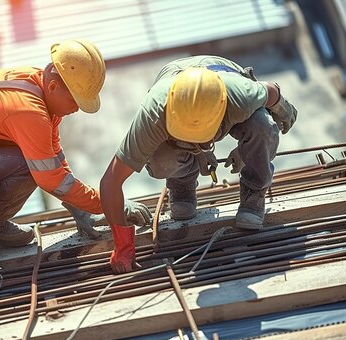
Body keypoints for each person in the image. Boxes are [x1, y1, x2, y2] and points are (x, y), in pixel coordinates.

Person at [0, 39, 151, 271]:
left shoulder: (42, 89)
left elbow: (54, 159)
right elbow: (50, 177)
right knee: (31, 168)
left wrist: (82, 210)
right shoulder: (29, 111)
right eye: (74, 100)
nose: (78, 108)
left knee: (38, 163)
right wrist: (107, 205)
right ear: (53, 87)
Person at [100, 55, 297, 274]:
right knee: (159, 160)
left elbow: (272, 92)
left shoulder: (240, 95)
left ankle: (254, 192)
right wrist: (123, 247)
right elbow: (111, 181)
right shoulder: (154, 114)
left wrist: (254, 142)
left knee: (263, 125)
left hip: (220, 76)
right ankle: (182, 182)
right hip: (175, 80)